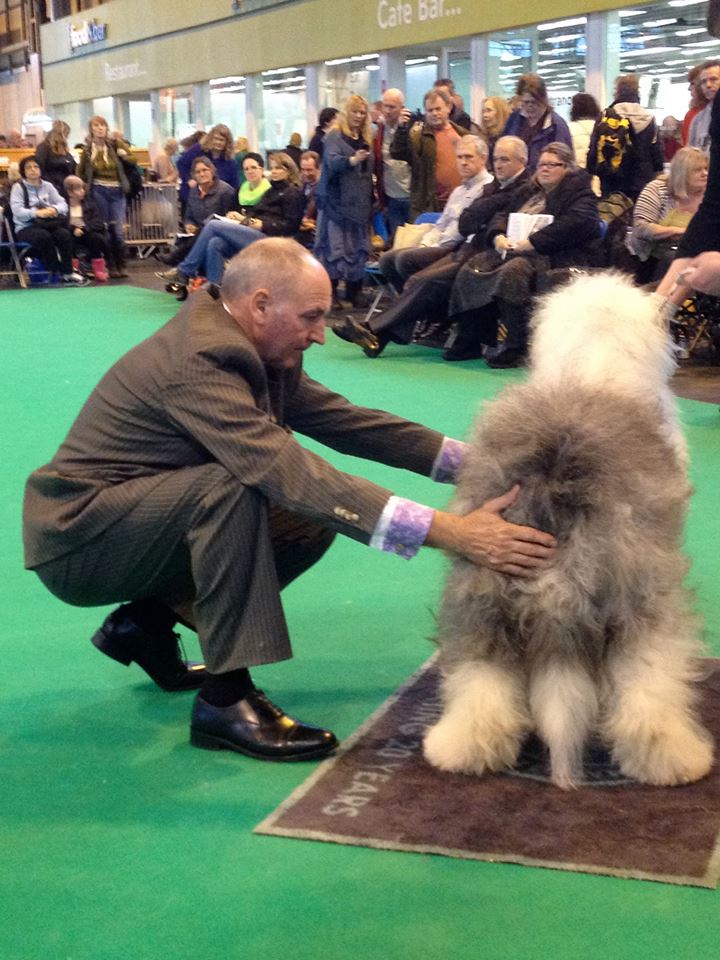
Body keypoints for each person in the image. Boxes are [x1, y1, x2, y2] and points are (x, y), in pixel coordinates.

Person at [22, 238, 556, 762]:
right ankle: (226, 702)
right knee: (234, 487)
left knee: (303, 520)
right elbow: (286, 471)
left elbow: (351, 423)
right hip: (79, 540)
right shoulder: (202, 360)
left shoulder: (250, 342)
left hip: (135, 515)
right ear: (260, 305)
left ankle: (144, 625)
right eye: (311, 317)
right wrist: (455, 532)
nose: (321, 335)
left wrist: (487, 464)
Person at [332, 135, 494, 357]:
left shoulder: (487, 188)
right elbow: (441, 224)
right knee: (388, 260)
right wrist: (427, 242)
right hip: (441, 244)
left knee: (408, 265)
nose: (463, 162)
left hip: (460, 248)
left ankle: (380, 330)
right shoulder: (458, 191)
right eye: (459, 157)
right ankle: (410, 321)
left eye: (468, 157)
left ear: (483, 158)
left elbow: (460, 232)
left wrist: (430, 245)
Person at [447, 141, 600, 368]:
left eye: (552, 165)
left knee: (513, 271)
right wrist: (497, 236)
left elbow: (577, 223)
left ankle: (516, 344)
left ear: (568, 167)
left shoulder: (581, 194)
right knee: (474, 266)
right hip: (515, 250)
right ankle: (470, 337)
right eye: (541, 165)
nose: (545, 169)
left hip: (557, 256)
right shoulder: (527, 191)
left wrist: (531, 242)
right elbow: (502, 215)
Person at [159, 152, 304, 288]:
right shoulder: (270, 191)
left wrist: (254, 222)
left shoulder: (293, 192)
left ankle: (184, 270)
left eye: (278, 168)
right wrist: (242, 219)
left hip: (273, 239)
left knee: (213, 224)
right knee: (215, 243)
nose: (274, 171)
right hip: (255, 231)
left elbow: (290, 226)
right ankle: (213, 290)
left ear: (289, 170)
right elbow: (257, 214)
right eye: (272, 168)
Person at [314, 94, 374, 309]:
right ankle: (329, 294)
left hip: (359, 203)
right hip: (335, 203)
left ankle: (354, 291)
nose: (358, 116)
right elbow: (332, 162)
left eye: (362, 113)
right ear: (346, 112)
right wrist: (352, 160)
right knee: (334, 249)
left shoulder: (366, 137)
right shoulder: (334, 136)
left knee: (357, 248)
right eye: (355, 111)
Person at [626, 146, 708, 283]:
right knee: (672, 258)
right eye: (697, 170)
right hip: (650, 260)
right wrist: (680, 231)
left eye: (706, 168)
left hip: (696, 256)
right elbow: (641, 228)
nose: (705, 173)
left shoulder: (710, 196)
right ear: (682, 173)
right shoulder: (657, 189)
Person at [390, 87, 469, 221]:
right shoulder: (418, 136)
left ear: (448, 107)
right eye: (430, 110)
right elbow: (398, 153)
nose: (434, 113)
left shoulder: (463, 135)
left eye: (438, 109)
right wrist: (401, 129)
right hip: (429, 207)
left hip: (460, 205)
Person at [10, 155, 87, 285]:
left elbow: (63, 204)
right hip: (25, 227)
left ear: (41, 169)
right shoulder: (18, 188)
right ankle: (55, 271)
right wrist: (36, 213)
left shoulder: (48, 186)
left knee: (64, 234)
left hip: (47, 224)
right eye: (28, 167)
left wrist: (54, 210)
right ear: (23, 171)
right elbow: (17, 211)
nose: (33, 170)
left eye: (36, 166)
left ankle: (68, 272)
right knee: (44, 237)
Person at [587, 75, 664, 201]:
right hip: (641, 182)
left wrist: (594, 171)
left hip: (612, 179)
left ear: (617, 92)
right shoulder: (649, 118)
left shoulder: (606, 116)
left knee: (612, 215)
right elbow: (657, 154)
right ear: (637, 91)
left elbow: (593, 150)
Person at [77, 115, 135, 279]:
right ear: (91, 129)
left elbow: (134, 159)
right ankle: (110, 265)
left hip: (117, 191)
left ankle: (121, 264)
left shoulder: (116, 144)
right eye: (96, 125)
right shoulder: (87, 151)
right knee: (105, 230)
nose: (100, 128)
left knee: (118, 230)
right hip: (98, 190)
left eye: (102, 125)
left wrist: (124, 155)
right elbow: (80, 171)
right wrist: (83, 187)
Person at [156, 157, 236, 267]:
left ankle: (177, 260)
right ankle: (182, 272)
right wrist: (189, 224)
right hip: (196, 234)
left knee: (204, 234)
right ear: (194, 175)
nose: (202, 174)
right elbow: (188, 216)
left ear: (212, 171)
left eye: (205, 170)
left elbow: (229, 218)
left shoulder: (226, 191)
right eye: (198, 172)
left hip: (219, 233)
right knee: (182, 240)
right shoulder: (193, 192)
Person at [502, 74, 573, 174]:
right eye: (525, 102)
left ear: (543, 99)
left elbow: (564, 164)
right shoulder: (514, 120)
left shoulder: (556, 126)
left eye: (534, 102)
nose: (530, 106)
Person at [372, 88, 412, 241]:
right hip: (391, 197)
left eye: (392, 107)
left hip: (410, 195)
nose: (387, 111)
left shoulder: (411, 128)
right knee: (396, 241)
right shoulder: (380, 130)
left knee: (411, 243)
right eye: (385, 106)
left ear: (402, 108)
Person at [176, 124, 238, 211]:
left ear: (227, 143)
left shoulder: (230, 162)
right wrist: (188, 179)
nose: (218, 142)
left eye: (222, 140)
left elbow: (234, 185)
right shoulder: (198, 149)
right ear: (210, 138)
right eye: (216, 138)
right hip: (193, 199)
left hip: (218, 204)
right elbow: (181, 163)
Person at [63, 174, 111, 282]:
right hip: (70, 233)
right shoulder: (63, 205)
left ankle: (99, 268)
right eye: (78, 189)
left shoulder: (90, 204)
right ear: (69, 192)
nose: (82, 191)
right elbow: (62, 221)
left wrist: (83, 227)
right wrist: (73, 228)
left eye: (82, 188)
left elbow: (98, 222)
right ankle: (73, 268)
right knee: (67, 238)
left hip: (87, 232)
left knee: (96, 238)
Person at [35, 120, 77, 199]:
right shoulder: (43, 148)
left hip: (67, 187)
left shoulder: (64, 149)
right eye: (66, 134)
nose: (67, 137)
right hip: (52, 187)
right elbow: (41, 169)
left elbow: (73, 166)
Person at [688, 61, 720, 153]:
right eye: (703, 82)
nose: (708, 85)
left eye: (714, 79)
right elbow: (691, 155)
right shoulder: (698, 120)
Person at [478, 96, 511, 172]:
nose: (485, 115)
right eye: (483, 111)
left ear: (500, 112)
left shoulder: (508, 138)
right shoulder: (482, 138)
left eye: (489, 111)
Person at [296, 150, 321, 249]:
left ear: (318, 168)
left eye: (309, 170)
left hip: (315, 233)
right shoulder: (300, 185)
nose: (306, 173)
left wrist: (313, 223)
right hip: (301, 229)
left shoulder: (324, 188)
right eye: (303, 169)